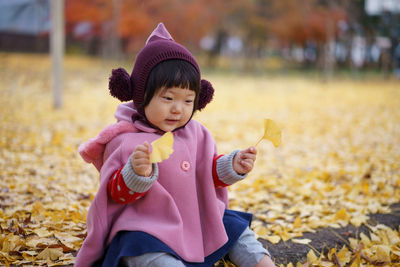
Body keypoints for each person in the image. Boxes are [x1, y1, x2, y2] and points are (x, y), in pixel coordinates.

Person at [76, 23, 275, 267]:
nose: (177, 109)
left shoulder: (197, 133)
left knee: (235, 229)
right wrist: (136, 173)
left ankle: (261, 263)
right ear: (141, 95)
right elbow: (115, 194)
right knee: (144, 250)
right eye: (168, 98)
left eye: (188, 100)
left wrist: (232, 165)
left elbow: (206, 173)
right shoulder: (124, 139)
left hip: (195, 219)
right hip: (148, 226)